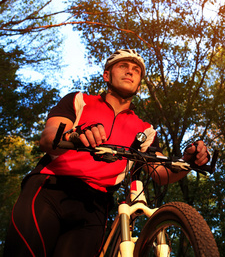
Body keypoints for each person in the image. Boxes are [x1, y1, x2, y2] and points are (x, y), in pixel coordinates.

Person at [4, 49, 210, 256]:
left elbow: (160, 173)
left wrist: (189, 161)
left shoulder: (144, 129)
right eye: (123, 66)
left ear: (139, 84)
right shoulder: (79, 100)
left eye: (136, 70)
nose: (130, 71)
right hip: (50, 189)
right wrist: (74, 136)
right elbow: (49, 137)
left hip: (94, 207)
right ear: (106, 75)